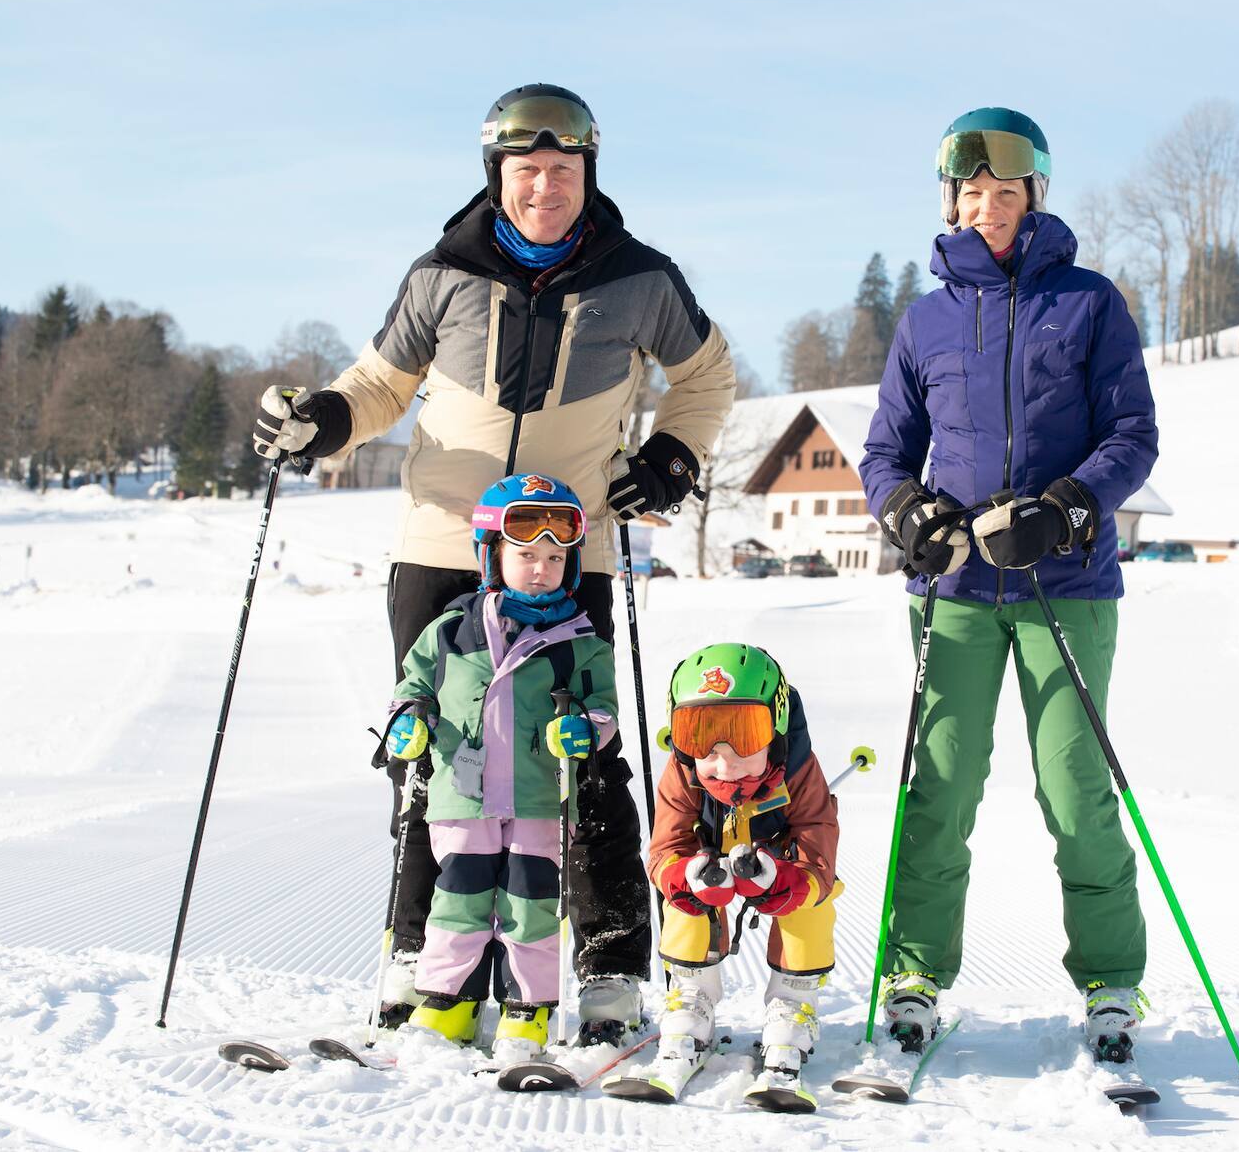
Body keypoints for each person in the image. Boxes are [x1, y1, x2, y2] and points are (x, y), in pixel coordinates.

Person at [251, 84, 737, 1040]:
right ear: (497, 176)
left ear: (588, 172)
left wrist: (673, 457)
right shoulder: (443, 273)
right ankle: (421, 958)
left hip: (570, 544)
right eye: (527, 171)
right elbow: (382, 382)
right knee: (427, 747)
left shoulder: (641, 276)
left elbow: (708, 376)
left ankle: (603, 966)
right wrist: (324, 423)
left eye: (564, 170)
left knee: (583, 755)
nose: (545, 187)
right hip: (443, 545)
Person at [859, 107, 1160, 1063]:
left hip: (1065, 582)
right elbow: (884, 453)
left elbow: (1132, 436)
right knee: (938, 786)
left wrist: (1068, 507)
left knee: (1076, 789)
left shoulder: (1089, 301)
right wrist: (907, 510)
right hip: (953, 593)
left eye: (1008, 191)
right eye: (972, 192)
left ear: (1037, 194)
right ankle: (915, 972)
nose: (990, 207)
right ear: (950, 201)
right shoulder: (927, 318)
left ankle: (1111, 981)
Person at [381, 474, 619, 1061]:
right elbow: (411, 687)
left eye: (555, 557)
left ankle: (526, 1015)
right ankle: (448, 1004)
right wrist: (407, 719)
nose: (541, 568)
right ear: (490, 555)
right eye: (525, 555)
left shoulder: (579, 642)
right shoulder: (449, 632)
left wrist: (585, 730)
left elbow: (604, 708)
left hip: (539, 800)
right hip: (462, 798)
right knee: (456, 903)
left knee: (530, 908)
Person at [637, 644, 839, 1102]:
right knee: (684, 900)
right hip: (712, 860)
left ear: (778, 728)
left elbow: (818, 848)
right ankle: (693, 996)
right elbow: (666, 846)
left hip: (778, 861)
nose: (724, 764)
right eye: (700, 737)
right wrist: (686, 877)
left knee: (812, 905)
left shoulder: (799, 770)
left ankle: (793, 1000)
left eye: (745, 737)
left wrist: (784, 882)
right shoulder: (685, 772)